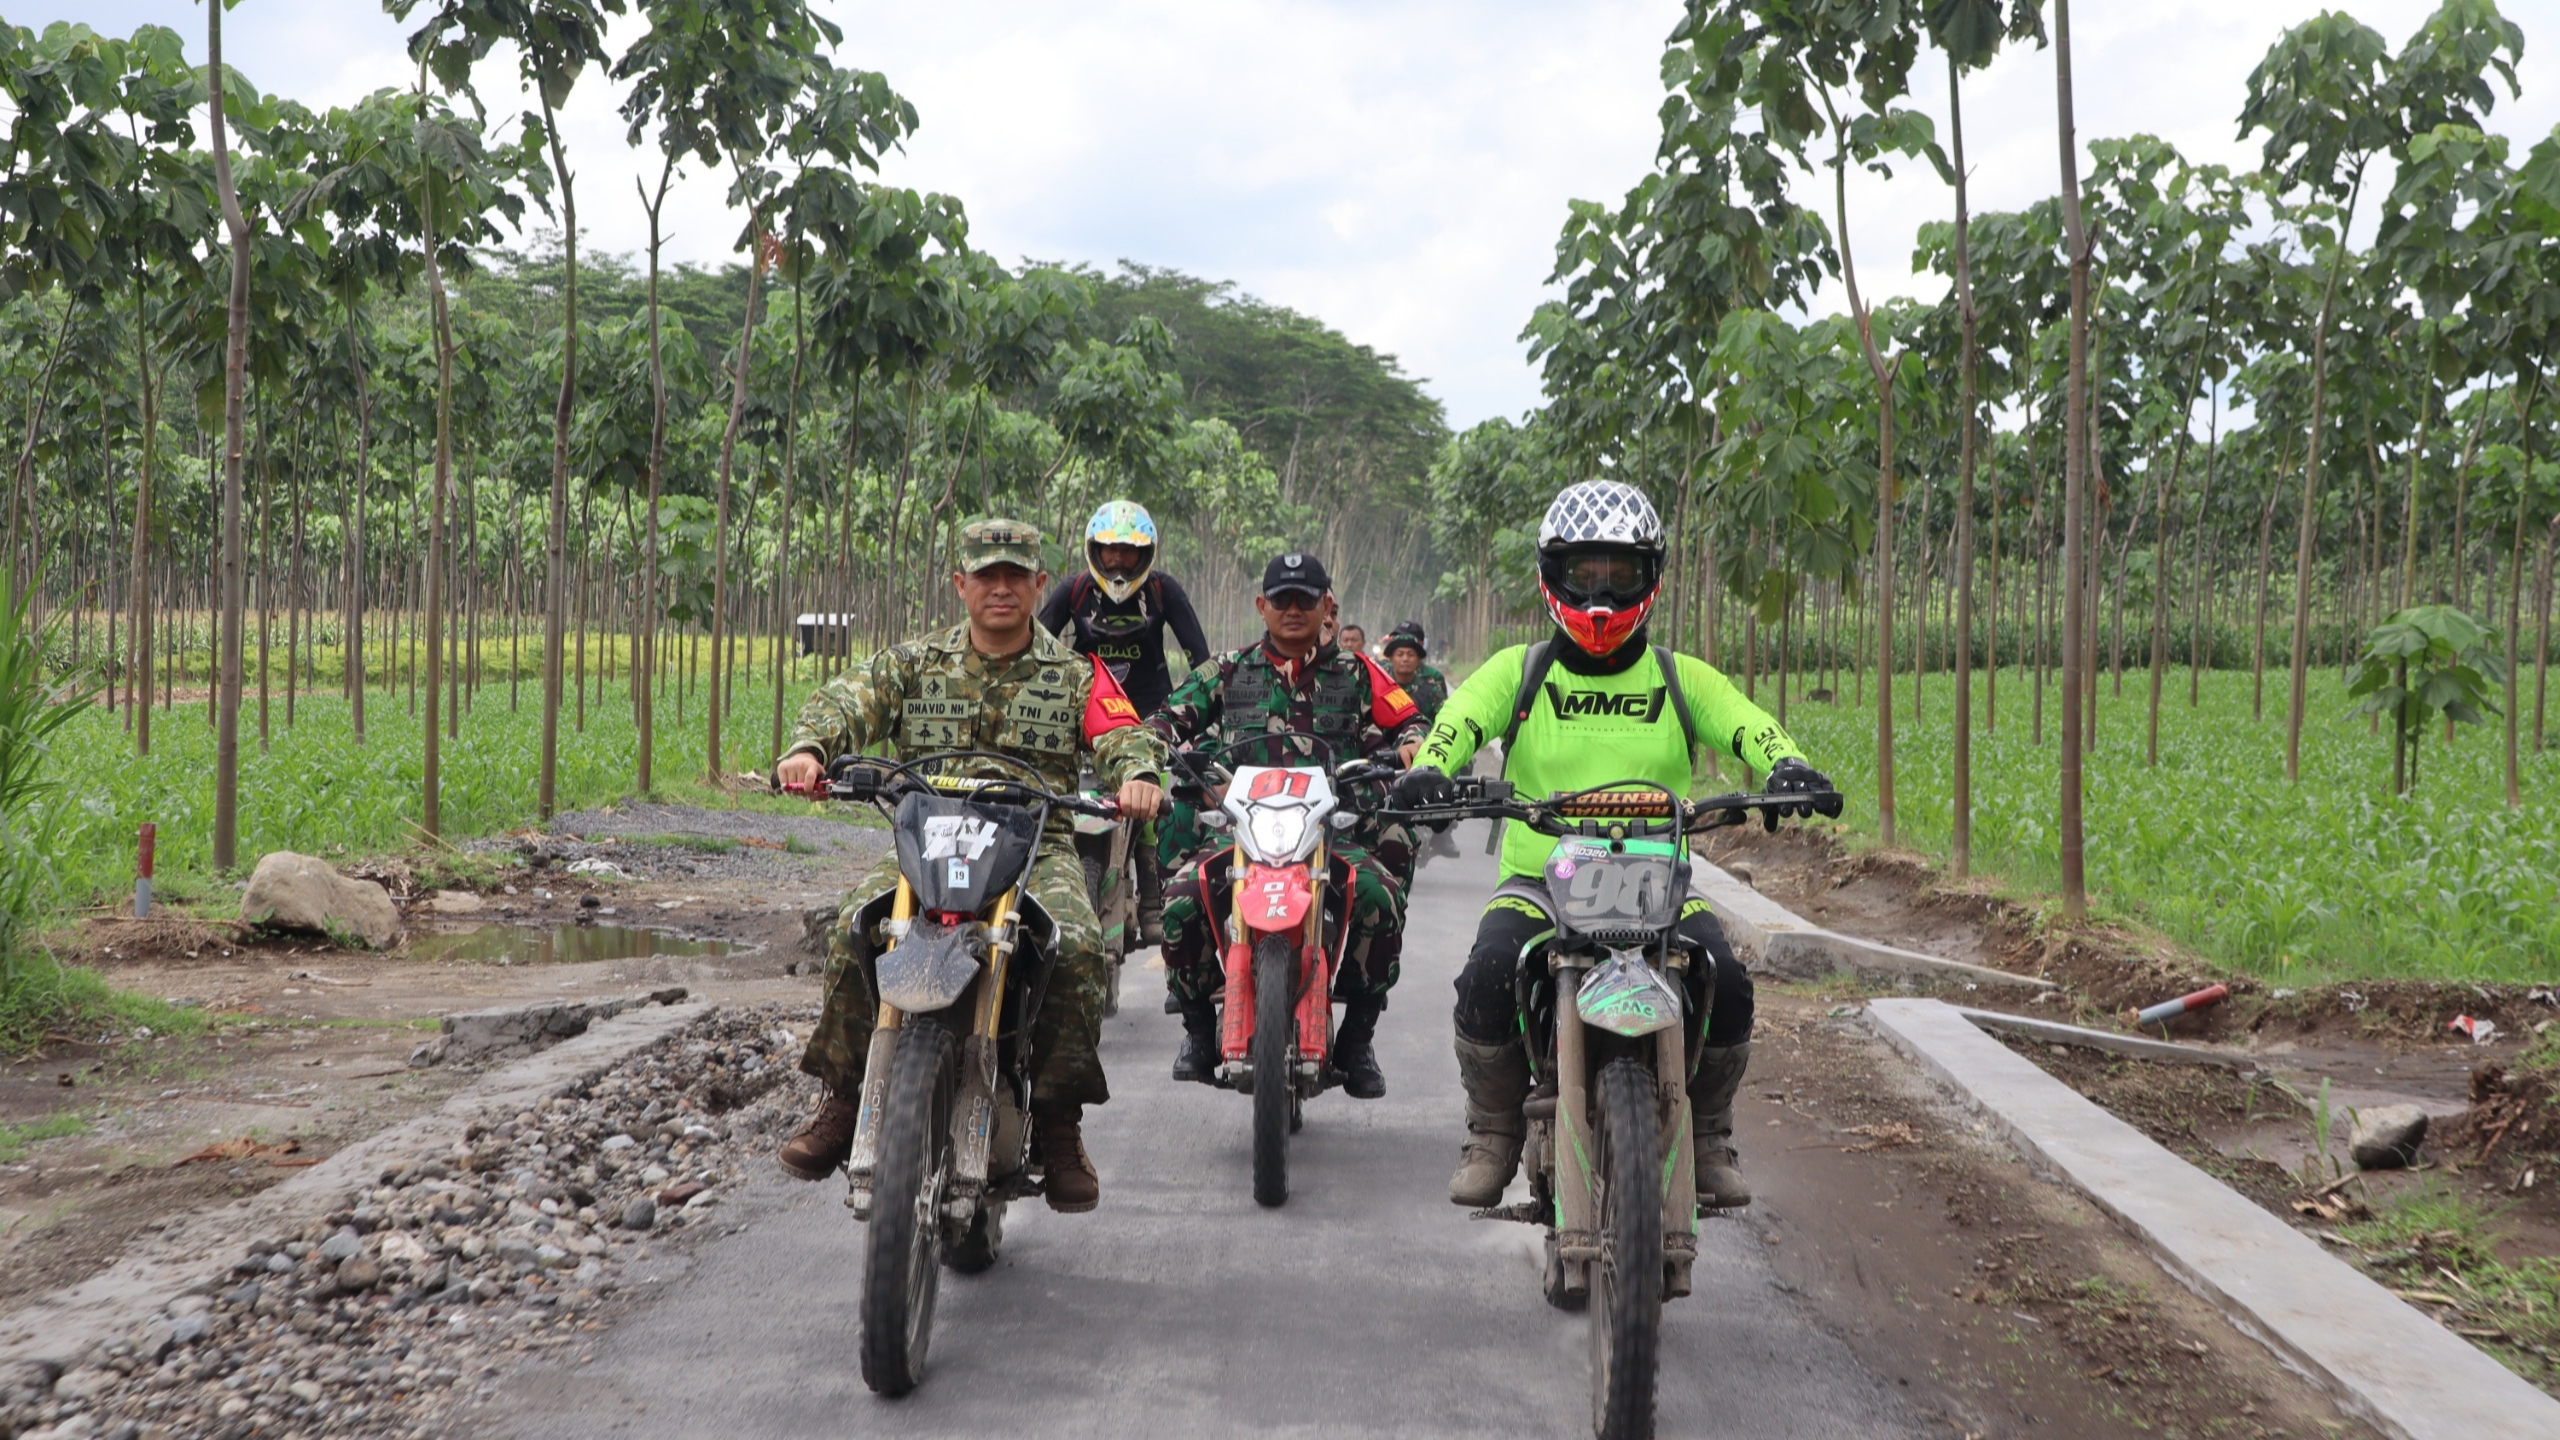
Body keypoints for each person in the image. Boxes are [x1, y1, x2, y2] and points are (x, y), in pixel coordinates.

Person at [1390, 481, 1837, 1211]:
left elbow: (1744, 720)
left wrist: (1787, 764)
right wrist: (1432, 769)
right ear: (1552, 575)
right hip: (1539, 883)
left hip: (1659, 881)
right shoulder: (1519, 670)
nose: (1600, 594)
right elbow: (1462, 719)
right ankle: (1493, 1129)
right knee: (1487, 975)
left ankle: (1709, 1135)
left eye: (1619, 574)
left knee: (1726, 980)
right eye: (1584, 572)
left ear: (1649, 578)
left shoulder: (1678, 676)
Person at [772, 518, 1169, 1213]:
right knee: (853, 925)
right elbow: (844, 701)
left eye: (1016, 575)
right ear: (961, 584)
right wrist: (809, 749)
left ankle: (1058, 1124)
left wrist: (1137, 774)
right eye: (987, 575)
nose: (1001, 588)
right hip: (926, 836)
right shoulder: (913, 663)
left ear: (1040, 585)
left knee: (1078, 946)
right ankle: (842, 1101)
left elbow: (1122, 731)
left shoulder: (1076, 675)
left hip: (1033, 842)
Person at [1152, 552, 1427, 1099]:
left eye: (1306, 599)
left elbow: (1411, 720)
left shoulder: (1358, 672)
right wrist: (1157, 746)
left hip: (1333, 830)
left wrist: (1413, 746)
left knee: (1380, 899)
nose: (1294, 610)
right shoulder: (1227, 669)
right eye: (1282, 600)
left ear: (1327, 605)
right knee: (1181, 901)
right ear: (1263, 605)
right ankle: (1199, 1031)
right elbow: (1165, 718)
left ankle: (1357, 1039)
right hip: (1238, 831)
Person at [1036, 500, 1209, 946]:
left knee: (1151, 802)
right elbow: (1033, 647)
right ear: (1094, 550)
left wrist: (1201, 718)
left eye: (1127, 551)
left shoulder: (1164, 591)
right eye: (1109, 550)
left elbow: (1201, 659)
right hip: (1084, 715)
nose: (1116, 560)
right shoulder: (1074, 590)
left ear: (1144, 553)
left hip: (1151, 719)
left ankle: (1153, 899)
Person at [1382, 625, 1461, 859]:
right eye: (1400, 654)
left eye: (1411, 654)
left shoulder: (1431, 686)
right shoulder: (1380, 683)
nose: (1405, 659)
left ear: (1419, 659)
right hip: (1386, 749)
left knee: (1453, 773)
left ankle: (1443, 831)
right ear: (1390, 658)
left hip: (1426, 748)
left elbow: (1445, 717)